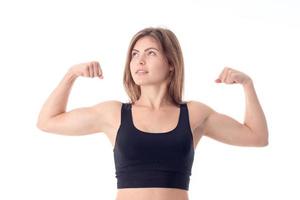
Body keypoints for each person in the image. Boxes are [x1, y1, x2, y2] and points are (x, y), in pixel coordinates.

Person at [36, 27, 269, 200]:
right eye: (135, 54)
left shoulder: (195, 114)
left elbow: (257, 137)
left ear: (171, 63)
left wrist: (247, 85)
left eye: (150, 53)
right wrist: (71, 75)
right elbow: (47, 121)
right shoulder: (114, 113)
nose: (140, 61)